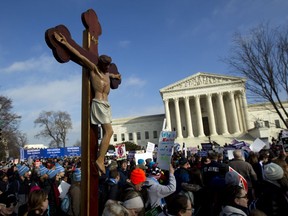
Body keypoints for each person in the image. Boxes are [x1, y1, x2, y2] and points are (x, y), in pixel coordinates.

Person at [53, 32, 121, 176]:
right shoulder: (94, 69)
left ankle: (100, 158)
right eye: (106, 65)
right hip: (98, 104)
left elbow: (114, 75)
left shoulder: (108, 74)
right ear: (101, 64)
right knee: (109, 132)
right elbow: (79, 55)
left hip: (107, 106)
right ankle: (100, 159)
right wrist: (65, 43)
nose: (108, 68)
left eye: (109, 66)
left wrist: (117, 76)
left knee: (107, 132)